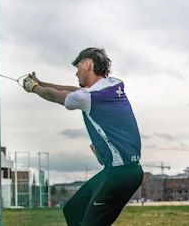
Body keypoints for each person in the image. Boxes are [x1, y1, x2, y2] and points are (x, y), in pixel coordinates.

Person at [22, 47, 143, 225]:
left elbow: (54, 96)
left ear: (88, 64)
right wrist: (41, 82)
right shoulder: (113, 85)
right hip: (117, 171)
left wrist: (34, 88)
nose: (76, 73)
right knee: (73, 209)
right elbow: (72, 90)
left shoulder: (88, 97)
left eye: (78, 67)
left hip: (121, 175)